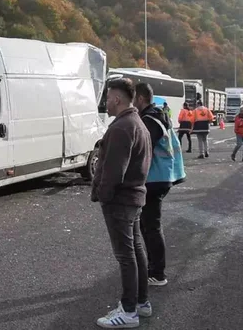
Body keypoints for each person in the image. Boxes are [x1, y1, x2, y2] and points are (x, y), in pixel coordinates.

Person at [91, 78, 152, 328]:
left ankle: (128, 311)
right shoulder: (137, 123)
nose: (106, 102)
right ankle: (141, 303)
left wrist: (103, 196)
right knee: (136, 250)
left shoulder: (121, 127)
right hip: (135, 197)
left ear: (117, 99)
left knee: (126, 255)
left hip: (121, 201)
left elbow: (114, 171)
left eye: (107, 97)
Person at [134, 83, 185, 289]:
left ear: (139, 98)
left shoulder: (149, 120)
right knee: (147, 225)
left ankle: (157, 273)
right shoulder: (159, 114)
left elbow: (143, 150)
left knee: (151, 226)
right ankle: (154, 269)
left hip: (155, 178)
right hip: (163, 176)